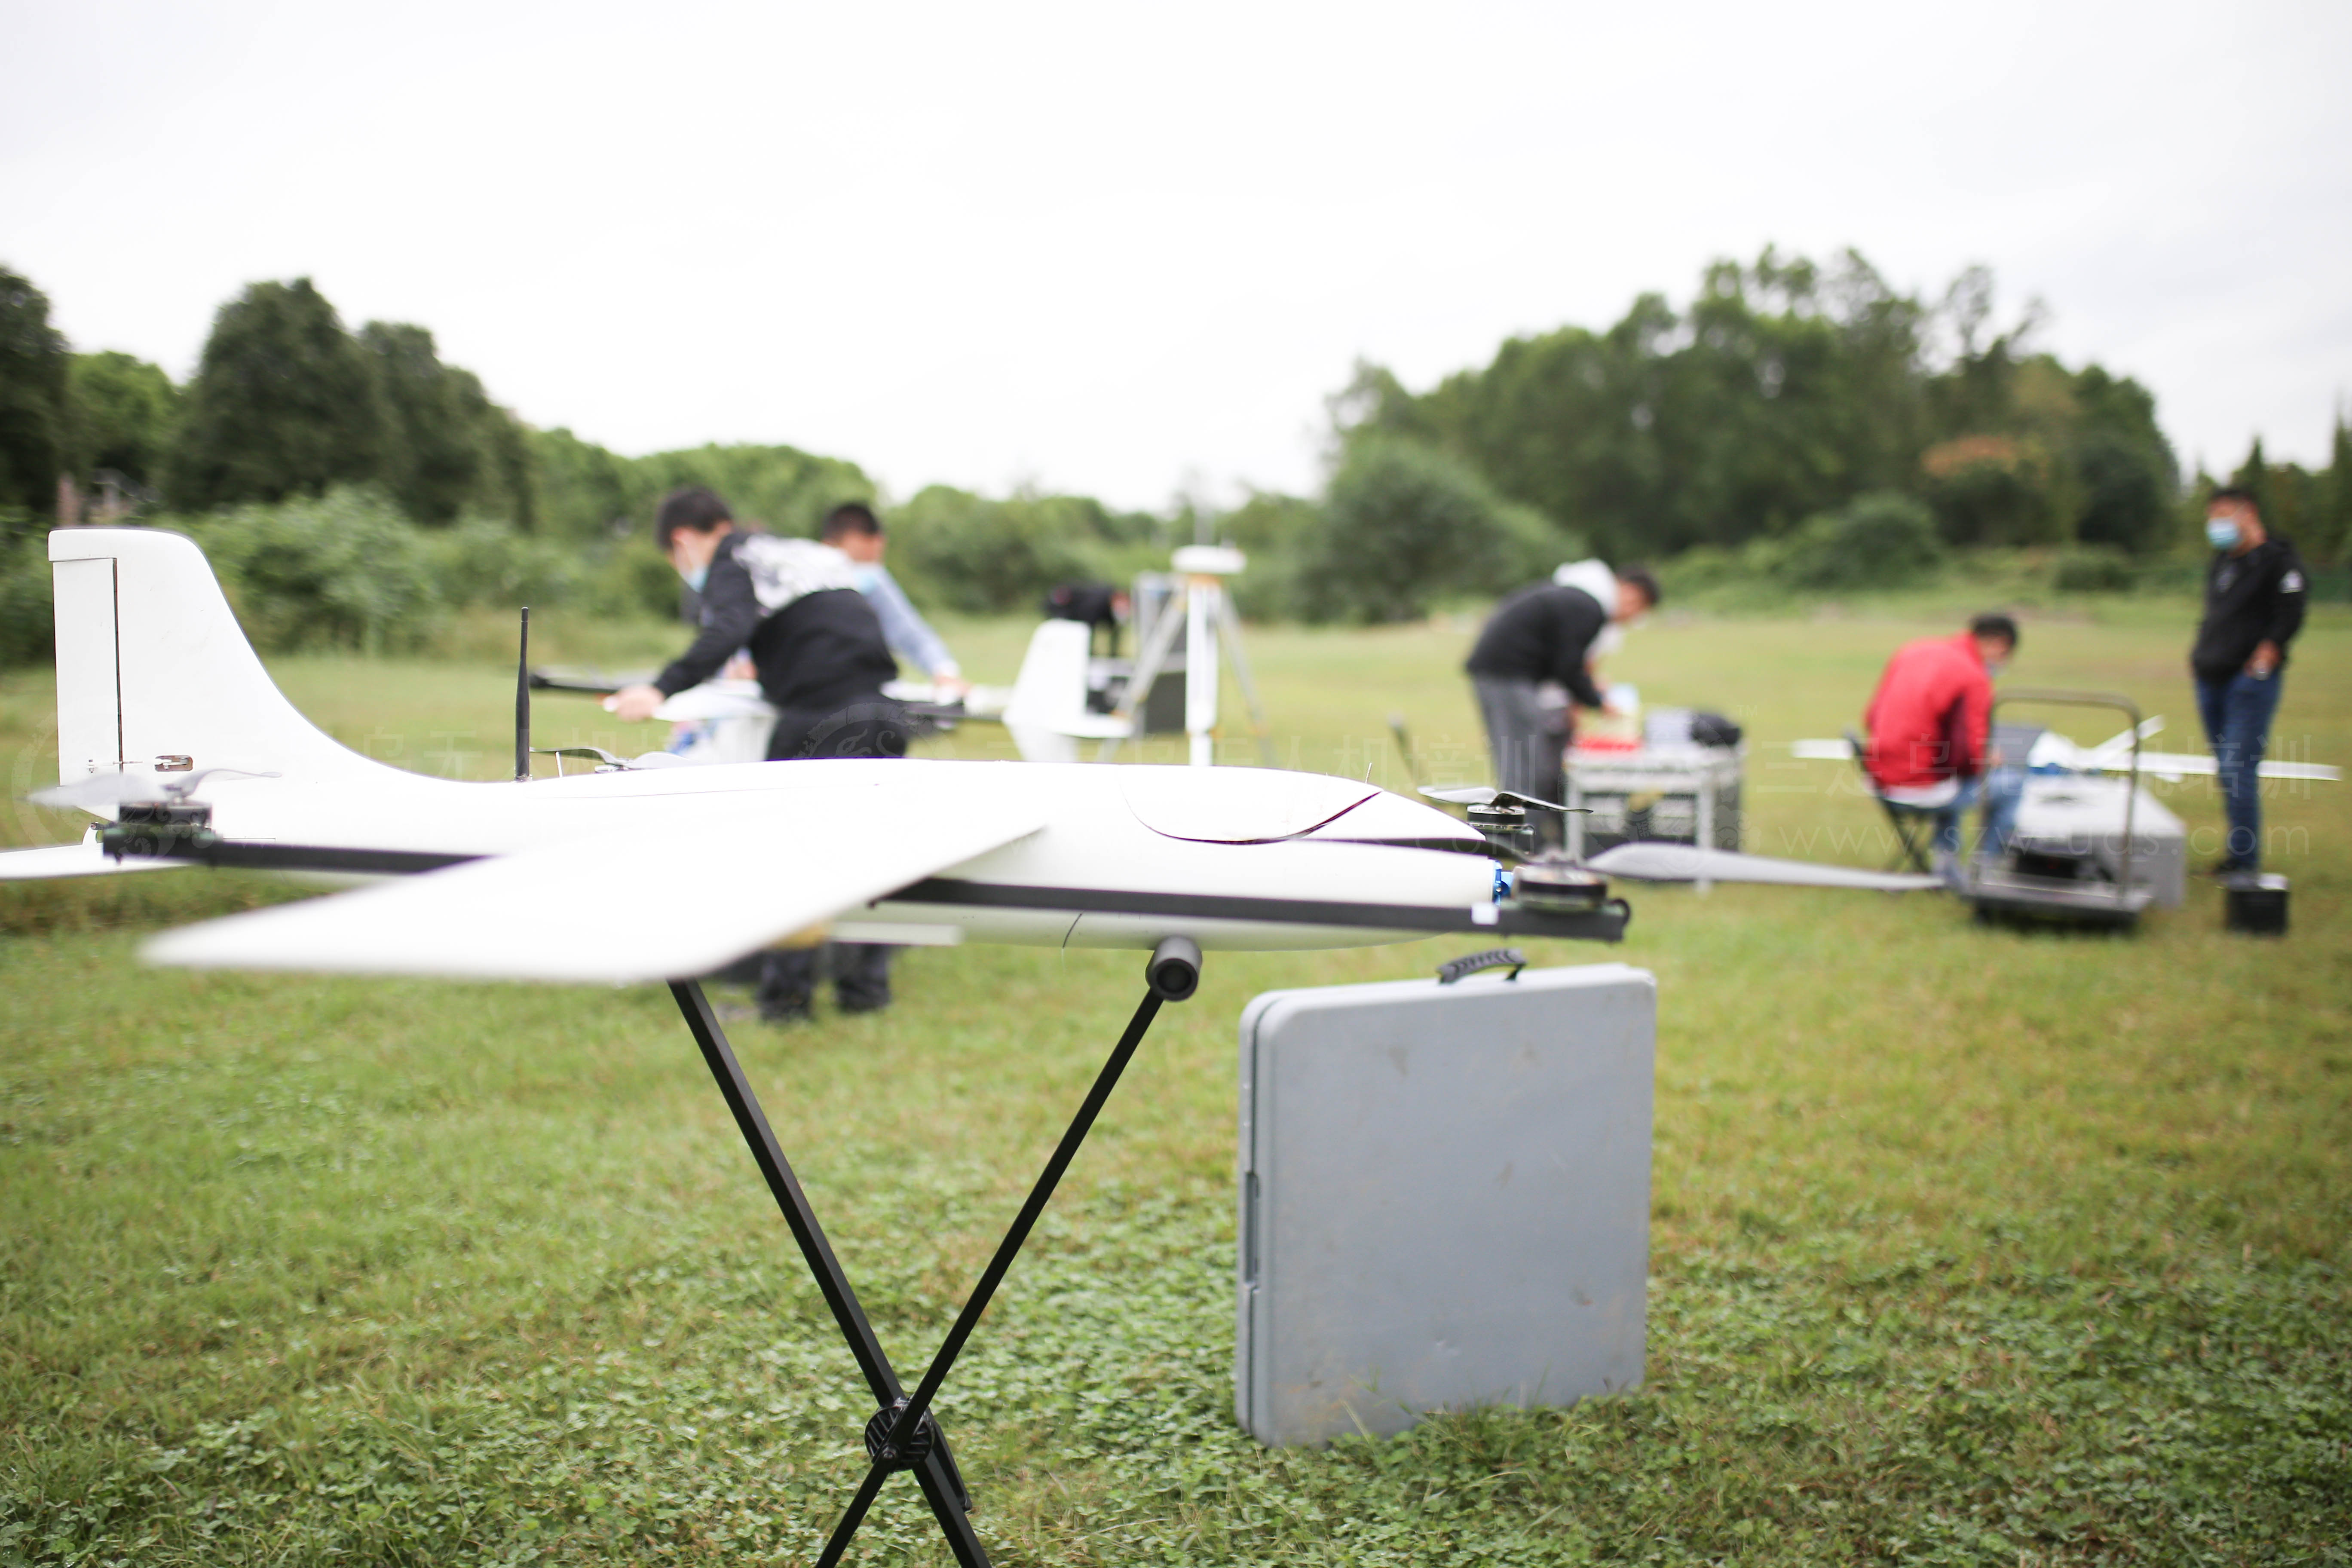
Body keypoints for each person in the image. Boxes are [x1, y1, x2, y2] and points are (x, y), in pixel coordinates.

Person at [606, 486, 908, 1020]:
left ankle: (786, 1003)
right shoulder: (795, 552)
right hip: (883, 711)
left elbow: (729, 627)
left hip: (820, 718)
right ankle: (865, 993)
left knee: (793, 857)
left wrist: (660, 687)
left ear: (683, 540)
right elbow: (829, 624)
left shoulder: (731, 559)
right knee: (869, 858)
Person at [1464, 563, 1660, 845]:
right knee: (1524, 766)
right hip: (1506, 676)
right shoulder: (1589, 608)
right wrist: (1597, 701)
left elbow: (1566, 663)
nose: (1632, 618)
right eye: (1638, 610)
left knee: (1525, 763)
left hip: (1506, 674)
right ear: (1632, 594)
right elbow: (1568, 667)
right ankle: (1522, 846)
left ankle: (1528, 839)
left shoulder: (1579, 599)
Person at [2190, 486, 2306, 877]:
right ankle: (2236, 854)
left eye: (2222, 515)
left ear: (2247, 513)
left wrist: (2264, 658)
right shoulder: (2222, 561)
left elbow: (2290, 615)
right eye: (2212, 516)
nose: (2215, 524)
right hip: (2211, 678)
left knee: (2237, 767)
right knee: (2226, 770)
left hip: (2248, 683)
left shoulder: (2279, 561)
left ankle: (2245, 862)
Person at [1862, 613, 2023, 885]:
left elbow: (1871, 717)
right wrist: (1988, 758)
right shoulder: (1973, 676)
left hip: (1879, 779)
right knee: (2012, 785)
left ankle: (1945, 861)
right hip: (1922, 789)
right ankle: (1985, 872)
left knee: (1949, 776)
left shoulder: (1911, 651)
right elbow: (1969, 757)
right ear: (2000, 645)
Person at [818, 501, 969, 701]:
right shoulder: (796, 577)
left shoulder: (874, 581)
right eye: (859, 559)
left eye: (872, 561)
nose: (866, 568)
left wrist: (944, 672)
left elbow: (910, 633)